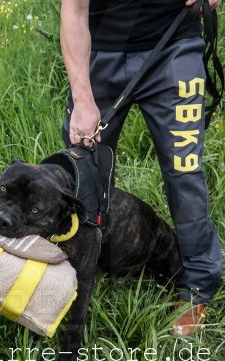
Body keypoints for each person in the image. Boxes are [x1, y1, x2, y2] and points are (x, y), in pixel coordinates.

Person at [60, 0, 222, 335]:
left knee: (184, 171)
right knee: (84, 171)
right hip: (100, 49)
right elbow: (73, 11)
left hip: (173, 43)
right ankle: (74, 273)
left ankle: (198, 287)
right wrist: (83, 100)